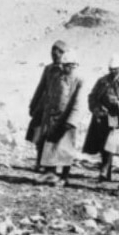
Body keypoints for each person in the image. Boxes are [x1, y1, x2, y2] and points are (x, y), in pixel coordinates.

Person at [83, 54, 119, 182]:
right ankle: (106, 172)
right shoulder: (102, 81)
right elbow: (92, 96)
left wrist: (118, 104)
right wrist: (96, 109)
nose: (113, 71)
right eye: (111, 69)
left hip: (116, 116)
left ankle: (104, 169)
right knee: (102, 143)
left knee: (110, 143)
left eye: (115, 69)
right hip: (102, 115)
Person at [38, 50, 84, 186]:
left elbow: (78, 102)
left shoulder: (79, 80)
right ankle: (51, 174)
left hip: (67, 120)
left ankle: (64, 177)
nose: (63, 68)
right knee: (51, 145)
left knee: (66, 149)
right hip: (53, 117)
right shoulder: (58, 77)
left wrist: (71, 121)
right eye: (62, 66)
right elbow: (51, 95)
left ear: (73, 65)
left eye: (66, 66)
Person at [26, 41, 66, 171]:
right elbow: (41, 87)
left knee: (53, 137)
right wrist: (33, 105)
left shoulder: (66, 70)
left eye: (57, 54)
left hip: (58, 109)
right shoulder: (48, 69)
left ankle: (52, 165)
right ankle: (39, 162)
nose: (54, 56)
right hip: (44, 106)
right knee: (39, 135)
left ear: (62, 54)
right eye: (52, 54)